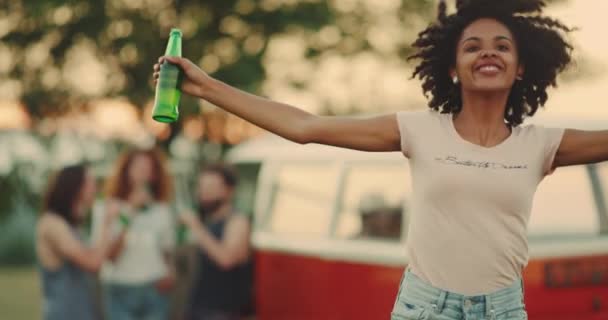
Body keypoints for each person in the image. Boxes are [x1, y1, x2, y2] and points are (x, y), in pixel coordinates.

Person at [154, 0, 608, 318]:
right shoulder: (418, 130)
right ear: (452, 68)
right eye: (472, 46)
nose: (488, 51)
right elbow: (306, 127)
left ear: (521, 66)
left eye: (502, 46)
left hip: (504, 309)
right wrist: (206, 87)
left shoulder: (541, 144)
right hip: (426, 308)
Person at [92, 148, 176, 320]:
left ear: (155, 175)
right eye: (138, 168)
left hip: (154, 287)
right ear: (126, 171)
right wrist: (130, 211)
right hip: (120, 287)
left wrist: (170, 272)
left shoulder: (162, 210)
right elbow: (111, 256)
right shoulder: (106, 207)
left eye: (149, 169)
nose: (143, 174)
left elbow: (166, 250)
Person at [36, 164, 118, 320]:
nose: (95, 188)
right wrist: (107, 223)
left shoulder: (72, 226)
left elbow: (97, 257)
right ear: (75, 187)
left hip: (83, 312)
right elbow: (94, 264)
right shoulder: (52, 224)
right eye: (90, 183)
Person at [180, 164, 253, 320]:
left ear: (229, 190)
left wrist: (197, 228)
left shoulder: (237, 221)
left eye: (212, 187)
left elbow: (226, 260)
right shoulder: (209, 221)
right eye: (202, 186)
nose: (204, 192)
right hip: (198, 307)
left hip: (223, 311)